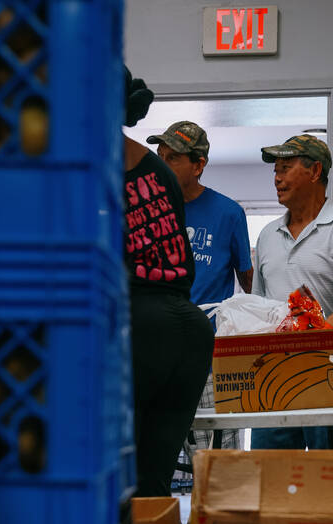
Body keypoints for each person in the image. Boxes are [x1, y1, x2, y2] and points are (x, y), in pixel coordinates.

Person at [251, 133, 333, 450]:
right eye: (275, 170)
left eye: (285, 167)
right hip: (276, 377)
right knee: (272, 479)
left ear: (315, 171)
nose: (277, 178)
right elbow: (258, 305)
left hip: (332, 370)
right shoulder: (267, 235)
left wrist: (319, 334)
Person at [123, 75, 214, 496]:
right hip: (188, 329)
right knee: (153, 486)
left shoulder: (87, 166)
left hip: (140, 326)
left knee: (120, 483)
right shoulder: (157, 169)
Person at [147, 120, 253, 460]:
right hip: (158, 352)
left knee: (219, 462)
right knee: (157, 457)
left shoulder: (229, 213)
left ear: (198, 165)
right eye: (159, 155)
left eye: (173, 158)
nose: (163, 164)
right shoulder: (149, 211)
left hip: (210, 357)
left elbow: (247, 283)